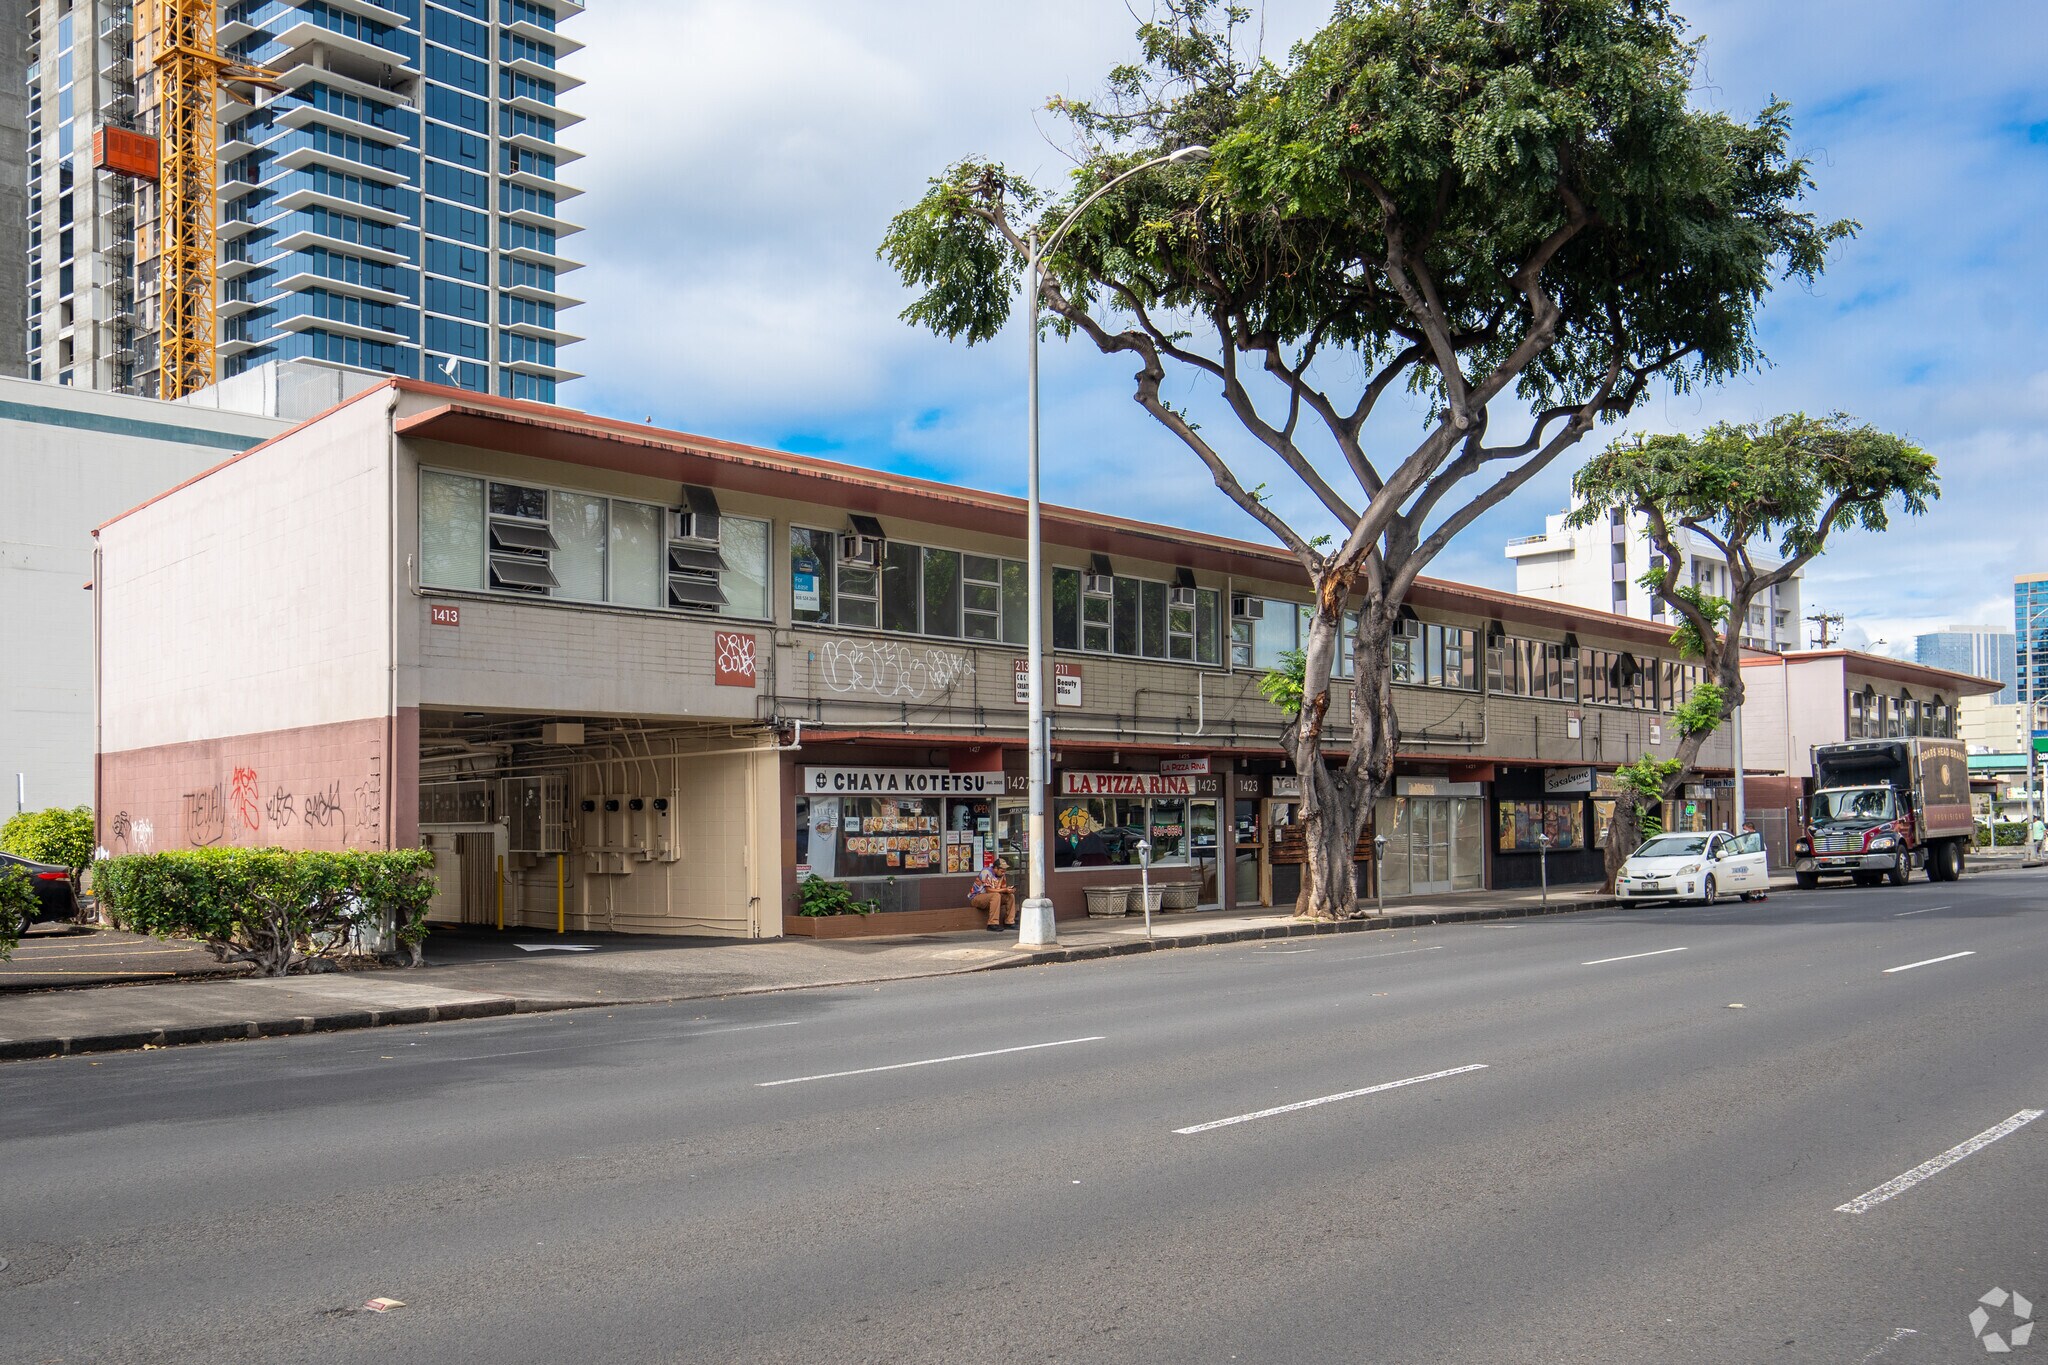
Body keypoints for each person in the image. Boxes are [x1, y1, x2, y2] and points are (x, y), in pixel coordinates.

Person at [969, 861, 1016, 931]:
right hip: (977, 897)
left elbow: (1002, 889)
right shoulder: (986, 872)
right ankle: (992, 924)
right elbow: (988, 890)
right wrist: (1004, 890)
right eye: (1002, 871)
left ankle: (1009, 922)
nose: (1003, 873)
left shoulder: (1002, 875)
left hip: (993, 897)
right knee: (996, 896)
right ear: (996, 868)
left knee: (1010, 896)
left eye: (1005, 871)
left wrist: (1008, 890)